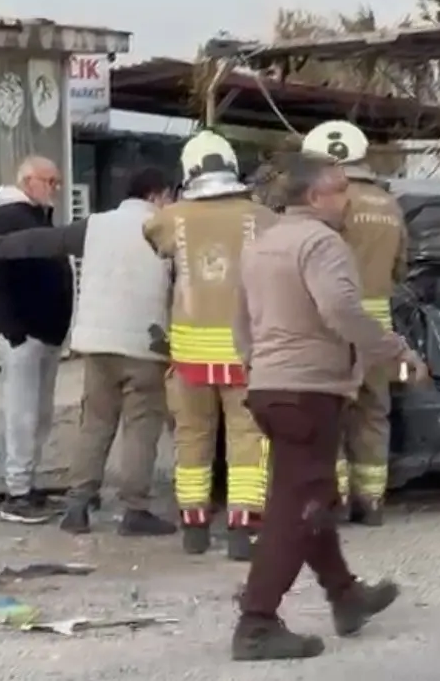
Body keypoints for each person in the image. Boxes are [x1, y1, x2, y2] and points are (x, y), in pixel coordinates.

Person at [230, 152, 429, 661]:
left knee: (310, 494)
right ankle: (256, 623)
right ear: (315, 197)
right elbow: (340, 310)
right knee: (296, 507)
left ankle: (345, 594)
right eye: (340, 189)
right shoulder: (322, 243)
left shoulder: (262, 243)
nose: (348, 198)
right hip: (309, 390)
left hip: (272, 387)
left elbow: (242, 323)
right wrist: (397, 351)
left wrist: (261, 367)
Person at [0, 167, 179, 537]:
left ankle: (78, 505)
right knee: (141, 430)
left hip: (96, 343)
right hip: (146, 344)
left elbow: (38, 242)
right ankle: (135, 509)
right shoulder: (167, 228)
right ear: (157, 195)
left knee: (94, 424)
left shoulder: (95, 225)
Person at [143, 130, 277, 560]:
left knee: (192, 439)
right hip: (246, 352)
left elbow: (153, 237)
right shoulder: (263, 218)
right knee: (248, 440)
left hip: (189, 355)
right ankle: (242, 530)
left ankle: (195, 529)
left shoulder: (171, 218)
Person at [301, 120, 408, 526]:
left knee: (327, 413)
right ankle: (372, 501)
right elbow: (401, 268)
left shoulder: (325, 203)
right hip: (378, 327)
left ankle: (335, 499)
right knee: (373, 411)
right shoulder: (389, 204)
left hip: (332, 325)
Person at [0, 156, 76, 525]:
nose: (55, 189)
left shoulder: (36, 217)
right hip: (23, 331)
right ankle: (18, 490)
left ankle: (26, 482)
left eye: (57, 182)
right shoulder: (9, 218)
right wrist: (15, 329)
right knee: (23, 413)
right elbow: (3, 277)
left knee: (39, 413)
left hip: (43, 331)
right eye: (49, 181)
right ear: (27, 181)